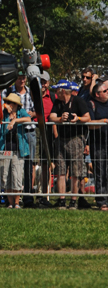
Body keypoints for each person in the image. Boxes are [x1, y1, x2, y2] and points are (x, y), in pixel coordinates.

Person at [49, 79, 91, 209]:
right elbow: (51, 117)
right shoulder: (57, 102)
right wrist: (61, 119)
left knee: (75, 172)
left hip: (75, 139)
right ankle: (62, 200)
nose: (55, 92)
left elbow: (87, 117)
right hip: (61, 139)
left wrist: (76, 118)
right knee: (61, 170)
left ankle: (73, 201)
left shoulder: (78, 101)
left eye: (57, 90)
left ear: (62, 91)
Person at [0, 93, 31, 209]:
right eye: (8, 102)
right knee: (5, 176)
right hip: (4, 148)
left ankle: (16, 203)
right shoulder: (4, 113)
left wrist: (15, 120)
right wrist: (3, 107)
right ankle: (10, 203)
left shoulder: (20, 112)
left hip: (18, 149)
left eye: (12, 103)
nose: (10, 105)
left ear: (16, 105)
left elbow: (29, 119)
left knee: (17, 175)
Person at [88, 80, 108, 210]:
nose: (107, 93)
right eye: (105, 91)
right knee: (100, 172)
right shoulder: (91, 104)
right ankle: (102, 201)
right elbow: (89, 123)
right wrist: (103, 121)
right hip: (98, 143)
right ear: (97, 94)